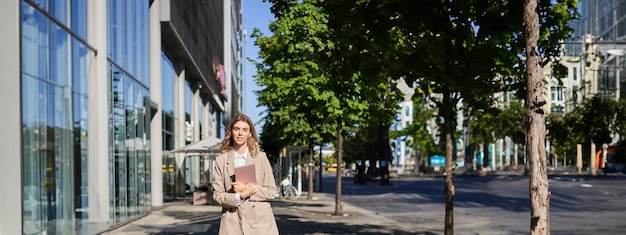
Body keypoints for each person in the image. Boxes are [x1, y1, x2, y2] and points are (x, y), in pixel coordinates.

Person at [212, 113, 279, 234]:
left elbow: (272, 191)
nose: (240, 133)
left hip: (260, 223)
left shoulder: (261, 158)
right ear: (231, 132)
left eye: (244, 130)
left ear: (250, 134)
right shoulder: (221, 160)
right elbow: (217, 195)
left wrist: (250, 190)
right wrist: (239, 197)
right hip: (232, 223)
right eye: (236, 129)